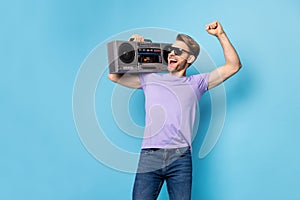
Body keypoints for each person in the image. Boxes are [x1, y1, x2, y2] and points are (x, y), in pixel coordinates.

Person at [108, 21, 242, 200]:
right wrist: (132, 48)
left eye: (179, 51)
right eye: (171, 49)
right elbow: (113, 76)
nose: (172, 53)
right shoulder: (150, 78)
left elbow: (233, 66)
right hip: (150, 156)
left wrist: (221, 34)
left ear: (190, 59)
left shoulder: (197, 83)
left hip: (180, 158)